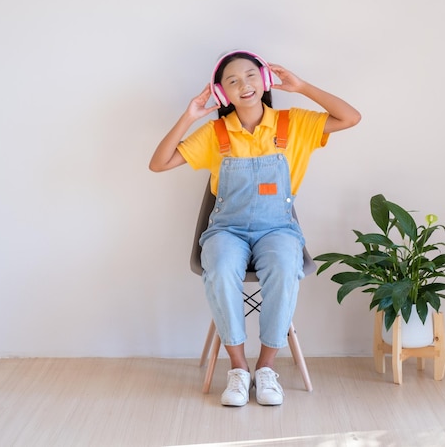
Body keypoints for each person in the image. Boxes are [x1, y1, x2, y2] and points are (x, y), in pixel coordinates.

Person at [149, 50, 360, 407]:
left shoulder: (293, 123)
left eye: (250, 75)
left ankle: (265, 369)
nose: (243, 85)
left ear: (265, 81)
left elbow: (351, 118)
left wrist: (303, 86)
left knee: (282, 266)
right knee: (219, 265)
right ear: (221, 94)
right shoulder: (215, 132)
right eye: (231, 80)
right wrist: (189, 115)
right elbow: (159, 163)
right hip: (226, 231)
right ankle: (237, 370)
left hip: (278, 229)